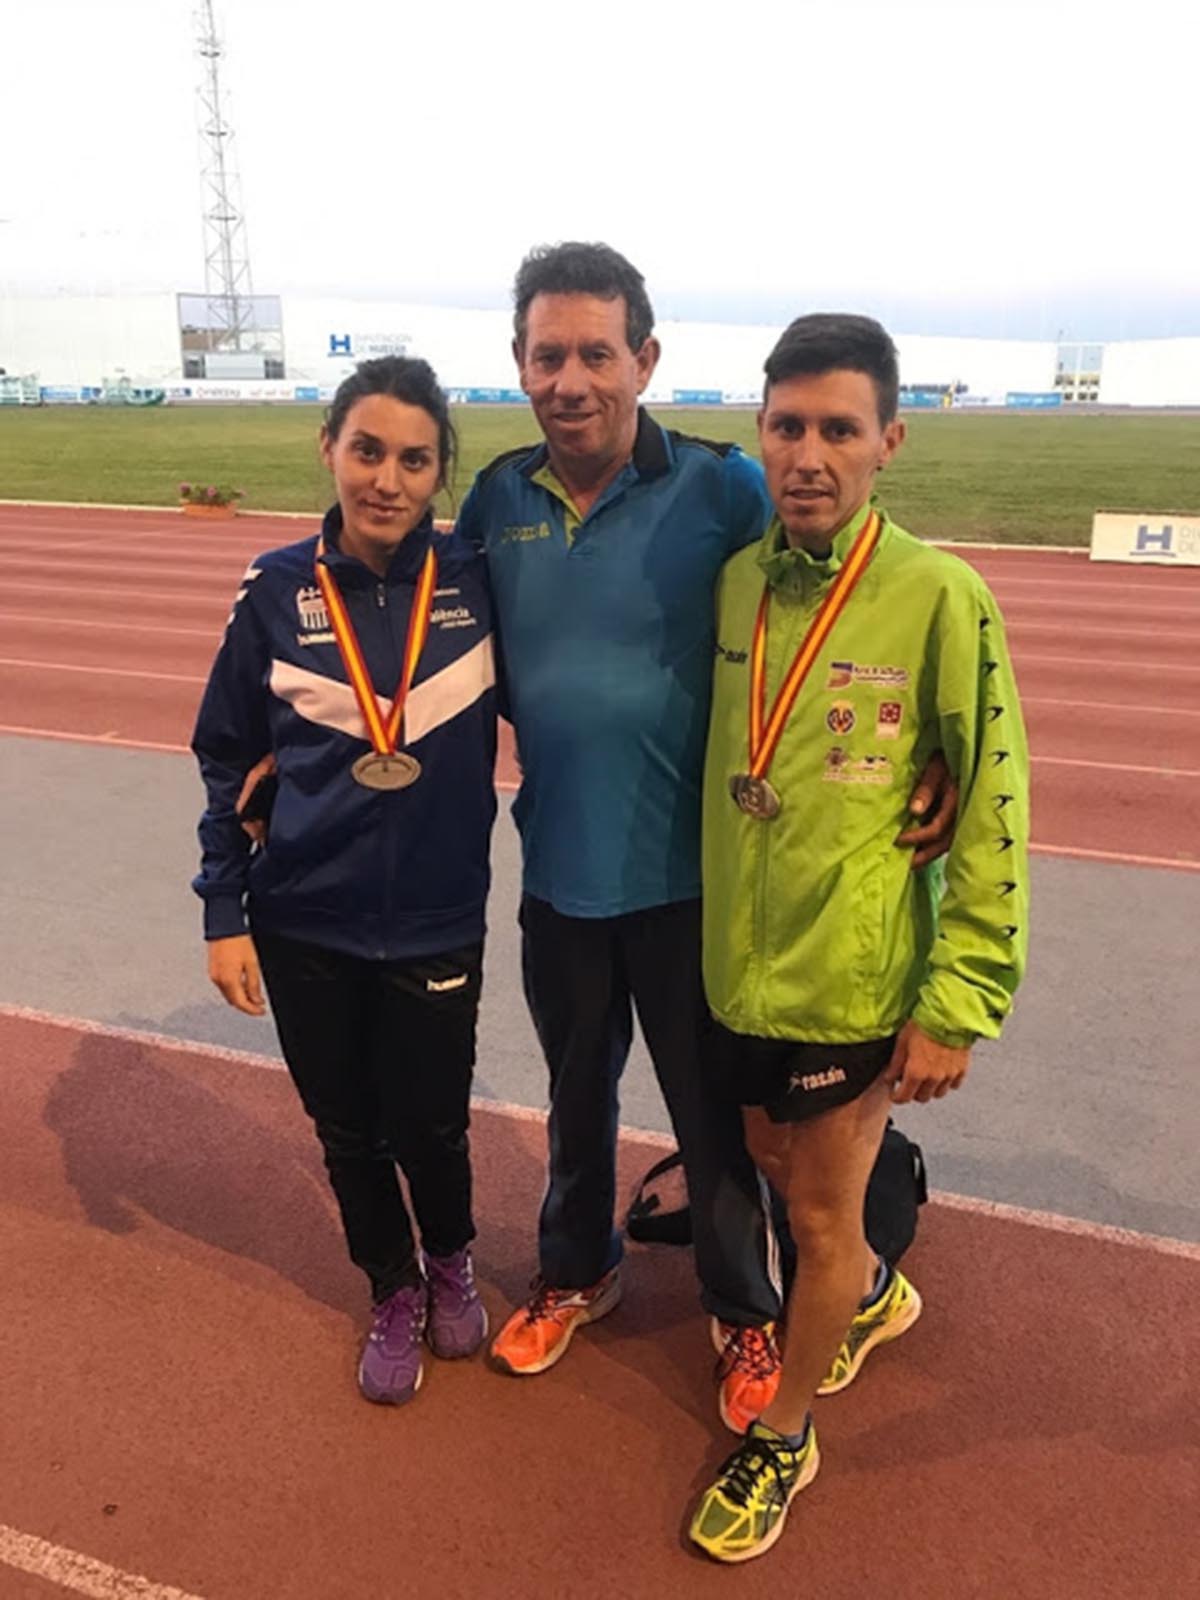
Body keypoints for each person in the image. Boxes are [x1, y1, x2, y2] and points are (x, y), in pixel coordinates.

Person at [458, 243, 957, 1430]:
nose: (570, 378)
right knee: (575, 1105)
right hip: (561, 876)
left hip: (696, 887)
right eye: (547, 354)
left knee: (711, 1125)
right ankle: (579, 1269)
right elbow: (424, 643)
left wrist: (917, 745)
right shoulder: (496, 502)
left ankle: (744, 1310)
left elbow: (844, 589)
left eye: (595, 352)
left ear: (646, 357)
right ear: (519, 364)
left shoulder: (723, 487)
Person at [687, 314, 1030, 1562]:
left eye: (840, 429)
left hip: (854, 976)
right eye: (788, 427)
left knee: (820, 1220)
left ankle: (784, 1436)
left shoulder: (942, 595)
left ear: (889, 438)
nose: (810, 454)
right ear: (760, 437)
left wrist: (960, 996)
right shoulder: (736, 581)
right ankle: (878, 1290)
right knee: (770, 1156)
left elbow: (990, 800)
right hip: (737, 966)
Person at [191, 356, 498, 1406]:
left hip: (437, 919)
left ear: (437, 474)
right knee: (347, 1128)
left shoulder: (477, 581)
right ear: (330, 448)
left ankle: (452, 1252)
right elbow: (226, 757)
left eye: (416, 459)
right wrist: (225, 909)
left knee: (434, 1121)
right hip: (302, 921)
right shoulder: (275, 590)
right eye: (367, 450)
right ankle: (392, 1283)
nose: (388, 479)